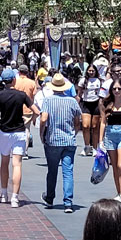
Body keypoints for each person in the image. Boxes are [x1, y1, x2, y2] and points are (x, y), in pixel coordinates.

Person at [41, 74, 82, 212]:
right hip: (69, 140)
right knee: (68, 171)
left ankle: (50, 198)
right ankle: (68, 202)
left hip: (53, 140)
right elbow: (77, 122)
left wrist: (42, 134)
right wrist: (73, 133)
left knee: (52, 171)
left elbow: (43, 119)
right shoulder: (72, 101)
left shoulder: (48, 100)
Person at [0, 77, 35, 208]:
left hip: (5, 132)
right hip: (19, 132)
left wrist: (1, 122)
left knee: (4, 162)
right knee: (17, 164)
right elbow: (36, 110)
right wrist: (29, 121)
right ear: (14, 80)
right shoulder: (21, 95)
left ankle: (4, 194)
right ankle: (15, 198)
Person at [99, 76, 121, 203]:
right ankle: (119, 192)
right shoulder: (107, 104)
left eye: (119, 88)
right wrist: (100, 141)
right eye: (114, 89)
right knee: (114, 166)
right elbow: (103, 122)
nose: (117, 91)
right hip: (110, 134)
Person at [77, 64, 103, 156]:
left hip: (96, 104)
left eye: (93, 71)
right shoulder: (83, 80)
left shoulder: (99, 81)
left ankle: (95, 148)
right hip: (86, 104)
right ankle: (87, 146)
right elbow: (79, 93)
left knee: (95, 126)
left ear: (96, 71)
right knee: (85, 125)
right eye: (89, 71)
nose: (91, 72)